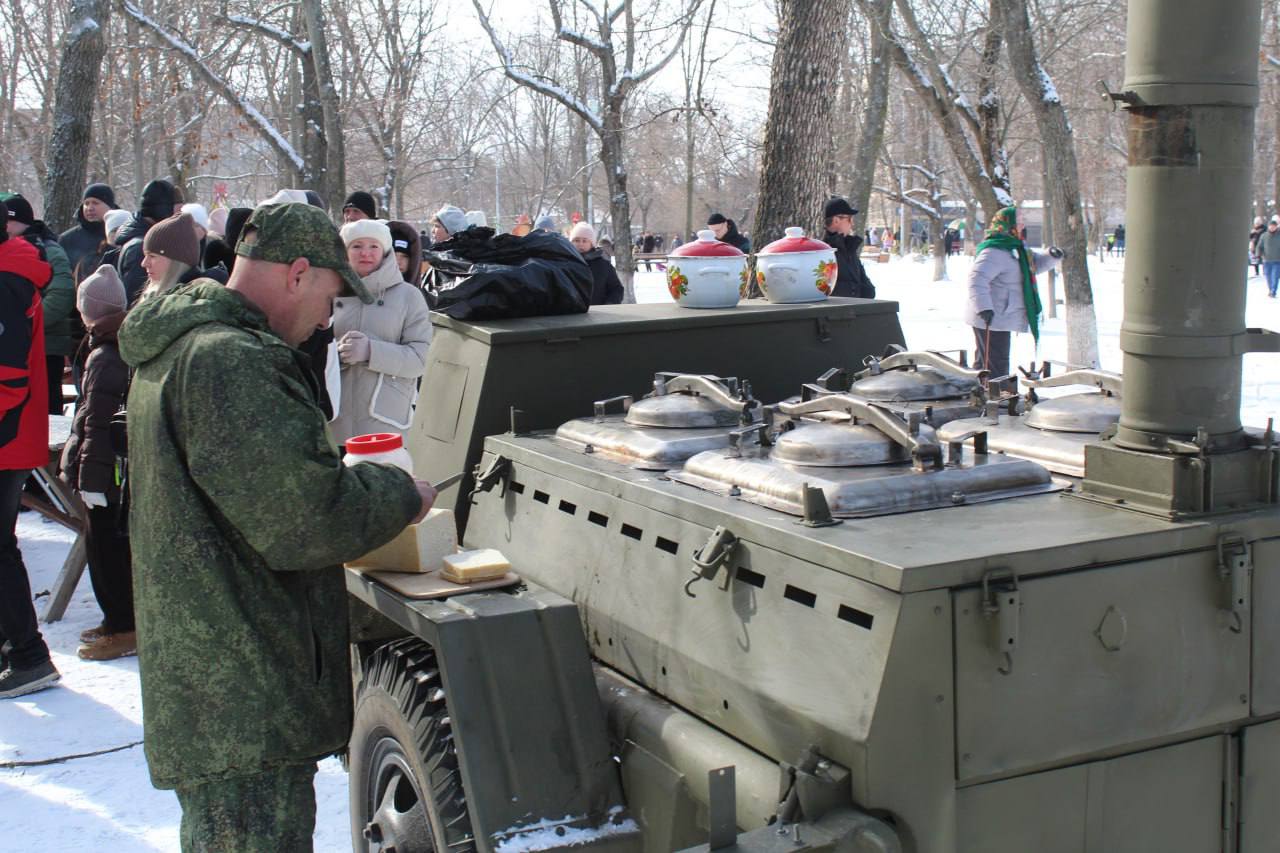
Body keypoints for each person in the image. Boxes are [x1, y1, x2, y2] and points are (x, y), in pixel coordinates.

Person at [116, 201, 435, 848]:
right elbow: (306, 519)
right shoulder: (231, 361)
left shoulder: (183, 346)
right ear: (296, 273)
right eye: (327, 294)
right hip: (242, 699)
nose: (327, 316)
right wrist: (401, 492)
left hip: (219, 683)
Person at [59, 265, 134, 661]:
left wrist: (90, 478)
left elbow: (97, 423)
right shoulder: (110, 344)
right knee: (103, 547)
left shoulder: (106, 353)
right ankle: (116, 620)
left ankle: (123, 626)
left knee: (106, 550)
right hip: (109, 470)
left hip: (107, 474)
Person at [0, 202, 58, 699]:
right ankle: (13, 648)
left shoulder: (6, 278)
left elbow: (8, 373)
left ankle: (28, 654)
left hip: (6, 433)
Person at [332, 218, 433, 442]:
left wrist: (371, 351)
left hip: (385, 426)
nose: (365, 253)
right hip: (332, 427)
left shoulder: (408, 296)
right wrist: (336, 356)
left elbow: (421, 359)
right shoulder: (328, 292)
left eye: (373, 246)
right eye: (356, 246)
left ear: (385, 251)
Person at [964, 205, 1063, 377]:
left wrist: (1051, 255)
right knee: (994, 362)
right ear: (1006, 224)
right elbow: (976, 279)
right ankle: (994, 397)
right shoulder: (994, 251)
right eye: (1018, 221)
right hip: (990, 316)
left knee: (989, 361)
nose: (1022, 225)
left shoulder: (1016, 248)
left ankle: (984, 394)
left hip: (1000, 314)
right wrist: (984, 308)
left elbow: (1032, 267)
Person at [4, 194, 75, 413]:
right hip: (19, 345)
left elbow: (61, 296)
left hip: (45, 348)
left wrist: (25, 325)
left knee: (42, 410)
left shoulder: (49, 251)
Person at [117, 179, 181, 300]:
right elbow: (134, 297)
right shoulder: (140, 248)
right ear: (164, 209)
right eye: (177, 211)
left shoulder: (144, 239)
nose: (180, 216)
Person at [821, 197, 876, 299]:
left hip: (854, 311)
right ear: (836, 220)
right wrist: (855, 289)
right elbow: (825, 289)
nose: (852, 224)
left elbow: (869, 290)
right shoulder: (823, 250)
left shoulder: (850, 247)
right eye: (850, 219)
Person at [138, 213, 201, 302]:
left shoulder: (188, 304)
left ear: (176, 260)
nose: (144, 263)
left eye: (152, 256)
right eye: (145, 255)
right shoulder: (156, 296)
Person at [60, 183, 118, 274]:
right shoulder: (67, 239)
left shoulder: (121, 234)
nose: (90, 208)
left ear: (109, 206)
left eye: (95, 203)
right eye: (86, 203)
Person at [570, 222, 624, 305]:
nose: (580, 244)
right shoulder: (564, 262)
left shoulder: (603, 265)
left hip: (598, 313)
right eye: (577, 240)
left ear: (591, 244)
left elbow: (616, 289)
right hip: (570, 314)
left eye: (585, 241)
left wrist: (609, 304)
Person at [1257, 217, 1280, 298]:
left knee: (1275, 276)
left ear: (1277, 226)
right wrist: (1258, 254)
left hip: (1277, 260)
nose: (1272, 227)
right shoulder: (1264, 236)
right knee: (1268, 276)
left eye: (1274, 226)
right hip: (1266, 260)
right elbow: (1259, 246)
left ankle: (1273, 291)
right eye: (1270, 226)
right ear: (1268, 226)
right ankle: (1271, 290)